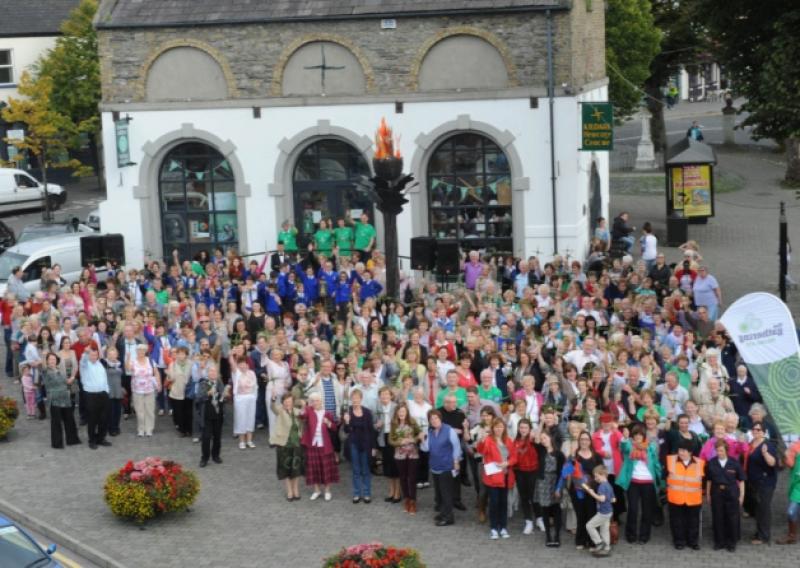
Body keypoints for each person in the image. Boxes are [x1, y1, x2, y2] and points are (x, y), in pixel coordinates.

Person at [616, 425, 662, 545]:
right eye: (635, 435)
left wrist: (659, 478)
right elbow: (624, 447)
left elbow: (656, 462)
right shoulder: (630, 446)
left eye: (640, 435)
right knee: (633, 509)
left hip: (648, 483)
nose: (638, 437)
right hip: (633, 483)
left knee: (647, 511)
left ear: (643, 436)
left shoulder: (651, 447)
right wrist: (625, 438)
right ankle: (631, 535)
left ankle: (644, 536)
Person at [476, 417, 517, 540]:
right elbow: (481, 451)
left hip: (505, 475)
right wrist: (482, 440)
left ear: (504, 428)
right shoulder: (488, 440)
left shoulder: (508, 440)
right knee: (494, 503)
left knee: (503, 503)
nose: (499, 429)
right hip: (493, 477)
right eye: (496, 427)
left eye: (501, 427)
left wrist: (507, 463)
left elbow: (514, 457)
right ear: (493, 428)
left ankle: (503, 527)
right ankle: (494, 527)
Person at [423, 409, 462, 526]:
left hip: (447, 466)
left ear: (440, 418)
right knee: (439, 493)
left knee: (446, 493)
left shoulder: (449, 430)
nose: (434, 421)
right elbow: (425, 449)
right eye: (431, 419)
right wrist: (422, 439)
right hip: (435, 466)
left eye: (436, 418)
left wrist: (456, 461)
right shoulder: (430, 431)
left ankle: (449, 517)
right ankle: (443, 512)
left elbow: (456, 447)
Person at [705, 438, 745, 551]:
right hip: (716, 492)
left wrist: (741, 496)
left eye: (721, 450)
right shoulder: (711, 463)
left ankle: (731, 542)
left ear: (726, 451)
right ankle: (719, 542)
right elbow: (709, 480)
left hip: (731, 493)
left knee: (732, 517)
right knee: (718, 517)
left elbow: (741, 480)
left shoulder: (734, 463)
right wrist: (708, 494)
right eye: (717, 450)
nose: (719, 453)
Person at [665, 440, 705, 550]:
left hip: (693, 499)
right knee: (677, 521)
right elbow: (664, 477)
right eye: (680, 450)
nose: (681, 453)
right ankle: (679, 541)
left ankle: (693, 542)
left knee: (693, 521)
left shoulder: (700, 463)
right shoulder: (671, 461)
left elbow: (704, 481)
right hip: (675, 498)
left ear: (691, 452)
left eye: (684, 451)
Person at [301, 392, 340, 501]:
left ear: (321, 401)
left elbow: (334, 428)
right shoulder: (309, 411)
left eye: (317, 400)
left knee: (326, 469)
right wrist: (306, 405)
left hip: (325, 445)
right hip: (312, 445)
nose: (315, 403)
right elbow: (301, 415)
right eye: (313, 401)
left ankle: (327, 491)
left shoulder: (327, 413)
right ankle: (317, 490)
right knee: (314, 469)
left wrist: (328, 423)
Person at [747, 421, 778, 544]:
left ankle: (764, 536)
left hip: (765, 483)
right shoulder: (751, 443)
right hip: (753, 482)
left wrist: (765, 453)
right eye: (754, 429)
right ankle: (759, 532)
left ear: (764, 432)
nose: (755, 431)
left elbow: (772, 463)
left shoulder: (767, 445)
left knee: (763, 509)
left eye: (758, 429)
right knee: (757, 509)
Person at [41, 353, 81, 449]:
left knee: (69, 419)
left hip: (65, 397)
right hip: (54, 399)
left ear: (56, 360)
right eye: (50, 359)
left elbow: (65, 382)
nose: (52, 361)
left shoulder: (60, 371)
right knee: (56, 422)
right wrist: (43, 357)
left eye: (54, 359)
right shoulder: (46, 371)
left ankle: (72, 440)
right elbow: (42, 367)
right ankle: (57, 443)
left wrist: (71, 379)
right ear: (47, 361)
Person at [342, 389, 376, 504]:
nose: (355, 400)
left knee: (366, 470)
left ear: (361, 399)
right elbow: (346, 431)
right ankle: (356, 493)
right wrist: (346, 422)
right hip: (354, 444)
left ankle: (366, 493)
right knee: (356, 470)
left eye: (357, 398)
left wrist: (373, 447)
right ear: (351, 399)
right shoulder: (348, 412)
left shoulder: (367, 412)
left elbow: (372, 431)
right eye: (353, 398)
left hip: (366, 445)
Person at [389, 403, 423, 514]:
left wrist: (414, 439)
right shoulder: (394, 424)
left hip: (413, 454)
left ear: (407, 412)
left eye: (403, 412)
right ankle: (407, 500)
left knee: (412, 478)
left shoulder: (412, 422)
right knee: (403, 478)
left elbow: (420, 434)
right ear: (397, 413)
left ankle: (413, 501)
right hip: (399, 454)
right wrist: (400, 442)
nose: (401, 414)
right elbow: (390, 440)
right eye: (399, 412)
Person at [271, 393, 304, 501]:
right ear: (283, 402)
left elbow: (305, 415)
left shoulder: (297, 411)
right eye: (286, 401)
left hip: (296, 444)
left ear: (292, 402)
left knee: (296, 468)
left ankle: (296, 489)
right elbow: (273, 407)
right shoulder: (280, 410)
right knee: (285, 468)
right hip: (283, 444)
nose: (288, 403)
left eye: (289, 401)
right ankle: (289, 490)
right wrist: (273, 399)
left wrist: (304, 405)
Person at [536, 430, 565, 547]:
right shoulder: (540, 451)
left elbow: (562, 473)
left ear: (551, 438)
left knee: (557, 509)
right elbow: (534, 439)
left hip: (555, 482)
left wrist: (559, 488)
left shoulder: (559, 454)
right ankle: (548, 535)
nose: (543, 440)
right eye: (542, 439)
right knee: (545, 510)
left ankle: (557, 535)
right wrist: (541, 423)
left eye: (545, 438)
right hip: (543, 483)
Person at [80, 347, 111, 450]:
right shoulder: (84, 364)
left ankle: (101, 438)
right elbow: (83, 359)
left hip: (103, 394)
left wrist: (107, 390)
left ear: (98, 355)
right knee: (92, 419)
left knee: (104, 418)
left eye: (95, 355)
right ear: (89, 355)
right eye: (92, 355)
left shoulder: (100, 364)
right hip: (90, 395)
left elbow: (104, 378)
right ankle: (92, 440)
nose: (94, 357)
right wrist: (85, 352)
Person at [127, 343, 161, 437]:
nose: (140, 352)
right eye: (139, 350)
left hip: (149, 389)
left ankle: (149, 429)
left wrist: (159, 383)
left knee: (149, 410)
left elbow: (156, 372)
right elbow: (128, 369)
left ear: (146, 351)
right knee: (139, 410)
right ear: (136, 351)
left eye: (142, 350)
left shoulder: (150, 360)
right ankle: (141, 429)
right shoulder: (133, 361)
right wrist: (128, 358)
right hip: (137, 389)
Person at [513, 418, 539, 535]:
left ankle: (539, 518)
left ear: (530, 429)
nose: (523, 430)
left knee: (534, 496)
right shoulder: (516, 441)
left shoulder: (532, 439)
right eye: (521, 427)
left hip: (532, 471)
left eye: (525, 428)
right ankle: (528, 521)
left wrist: (541, 423)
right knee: (524, 497)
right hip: (519, 472)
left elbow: (538, 440)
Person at [199, 366, 228, 467]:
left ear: (217, 373)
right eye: (211, 371)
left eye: (214, 371)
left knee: (217, 436)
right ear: (207, 373)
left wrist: (225, 395)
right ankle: (204, 458)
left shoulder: (219, 383)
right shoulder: (203, 383)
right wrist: (208, 393)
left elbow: (223, 398)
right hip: (207, 414)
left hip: (218, 414)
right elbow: (199, 398)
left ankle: (216, 455)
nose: (212, 373)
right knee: (206, 437)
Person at [583, 464, 615, 557]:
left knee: (589, 525)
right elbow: (613, 499)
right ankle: (606, 548)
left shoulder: (602, 486)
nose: (595, 478)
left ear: (603, 475)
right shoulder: (609, 485)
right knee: (604, 530)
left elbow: (602, 499)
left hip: (603, 513)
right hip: (609, 511)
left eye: (597, 476)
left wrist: (592, 493)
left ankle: (599, 543)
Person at [776, 438, 800, 545]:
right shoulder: (795, 446)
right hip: (797, 487)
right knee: (791, 512)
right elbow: (790, 464)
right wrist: (784, 457)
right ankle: (792, 536)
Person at [232, 355, 257, 449]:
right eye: (240, 364)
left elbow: (255, 386)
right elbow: (232, 364)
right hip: (240, 399)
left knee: (250, 418)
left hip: (250, 398)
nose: (242, 366)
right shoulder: (236, 373)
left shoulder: (252, 373)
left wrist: (254, 397)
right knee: (241, 418)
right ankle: (241, 441)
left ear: (247, 365)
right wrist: (231, 355)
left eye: (244, 364)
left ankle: (249, 440)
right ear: (238, 365)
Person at [104, 346, 124, 437]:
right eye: (110, 354)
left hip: (118, 390)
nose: (112, 356)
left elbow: (123, 377)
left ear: (117, 355)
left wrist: (123, 387)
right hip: (109, 390)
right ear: (107, 355)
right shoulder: (105, 363)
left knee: (117, 411)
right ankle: (111, 428)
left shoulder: (120, 364)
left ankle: (116, 426)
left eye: (114, 354)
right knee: (110, 411)